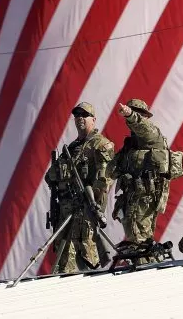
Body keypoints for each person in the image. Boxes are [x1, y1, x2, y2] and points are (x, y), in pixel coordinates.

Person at [45, 101, 114, 273]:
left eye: (84, 115)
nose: (79, 118)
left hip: (86, 211)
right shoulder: (71, 149)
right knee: (64, 262)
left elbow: (105, 179)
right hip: (66, 211)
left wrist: (91, 202)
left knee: (87, 257)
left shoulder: (101, 144)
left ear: (94, 119)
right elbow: (50, 176)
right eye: (77, 115)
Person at [110, 99, 183, 257]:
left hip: (145, 199)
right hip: (130, 199)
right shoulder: (130, 145)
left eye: (139, 113)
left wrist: (130, 115)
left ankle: (144, 270)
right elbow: (112, 169)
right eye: (133, 111)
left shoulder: (153, 136)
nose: (135, 116)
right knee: (133, 241)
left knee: (140, 241)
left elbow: (143, 127)